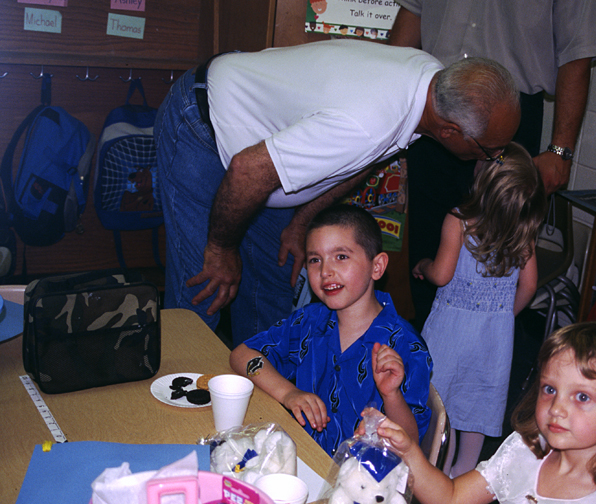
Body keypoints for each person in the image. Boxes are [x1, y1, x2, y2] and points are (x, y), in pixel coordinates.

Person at [155, 39, 521, 348]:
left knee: (271, 286)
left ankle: (261, 413)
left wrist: (300, 222)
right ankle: (172, 416)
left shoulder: (431, 83)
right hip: (204, 125)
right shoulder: (368, 122)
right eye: (490, 151)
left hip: (260, 148)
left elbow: (363, 161)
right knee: (205, 288)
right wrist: (222, 248)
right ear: (450, 132)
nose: (494, 158)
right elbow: (246, 172)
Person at [388, 0, 596, 331]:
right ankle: (424, 354)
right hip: (436, 102)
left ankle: (481, 337)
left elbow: (578, 47)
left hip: (509, 112)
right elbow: (414, 11)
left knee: (498, 259)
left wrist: (560, 151)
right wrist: (388, 102)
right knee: (427, 241)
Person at [364, 322, 596, 504]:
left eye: (582, 397)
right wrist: (410, 452)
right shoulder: (524, 451)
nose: (557, 408)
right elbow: (449, 499)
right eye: (549, 389)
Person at [228, 204, 432, 457]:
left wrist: (391, 396)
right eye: (315, 260)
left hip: (360, 482)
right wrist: (288, 392)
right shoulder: (309, 321)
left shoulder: (405, 345)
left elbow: (411, 445)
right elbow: (242, 354)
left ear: (377, 267)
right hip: (303, 458)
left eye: (341, 256)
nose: (325, 272)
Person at [411, 142, 546, 477]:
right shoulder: (522, 231)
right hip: (494, 336)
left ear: (480, 175)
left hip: (451, 331)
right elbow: (529, 286)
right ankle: (464, 474)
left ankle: (437, 474)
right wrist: (502, 315)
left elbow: (441, 275)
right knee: (478, 402)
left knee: (443, 402)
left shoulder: (459, 220)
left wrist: (423, 265)